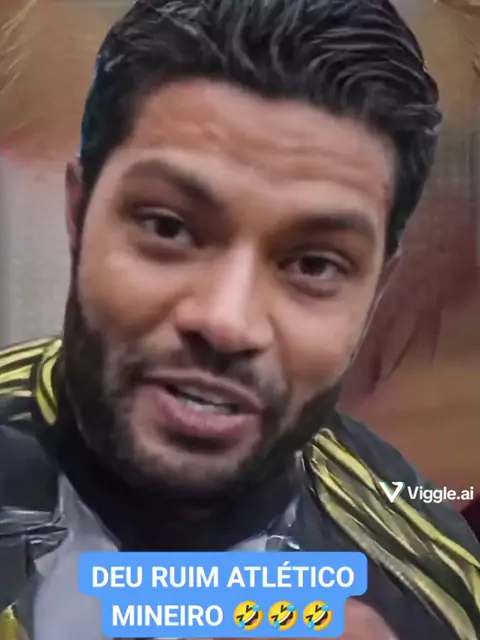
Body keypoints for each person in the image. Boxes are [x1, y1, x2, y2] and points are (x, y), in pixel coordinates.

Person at [0, 1, 478, 639]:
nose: (227, 322)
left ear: (375, 292)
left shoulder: (435, 598)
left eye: (314, 264)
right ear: (79, 212)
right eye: (168, 227)